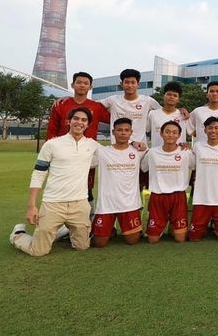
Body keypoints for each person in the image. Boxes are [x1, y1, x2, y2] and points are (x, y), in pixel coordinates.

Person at [10, 107, 100, 256]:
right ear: (68, 121)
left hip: (79, 204)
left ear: (88, 124)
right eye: (76, 119)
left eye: (84, 120)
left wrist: (136, 144)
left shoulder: (92, 145)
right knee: (38, 251)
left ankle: (61, 230)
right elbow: (38, 174)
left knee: (82, 246)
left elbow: (114, 151)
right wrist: (31, 206)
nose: (79, 122)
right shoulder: (52, 144)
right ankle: (17, 234)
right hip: (53, 203)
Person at [46, 71, 110, 201]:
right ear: (72, 85)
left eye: (86, 83)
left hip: (87, 153)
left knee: (87, 188)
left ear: (90, 87)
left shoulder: (96, 107)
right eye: (79, 82)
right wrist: (49, 151)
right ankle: (60, 215)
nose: (82, 85)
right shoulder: (61, 104)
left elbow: (114, 119)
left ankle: (87, 217)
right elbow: (52, 129)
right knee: (61, 185)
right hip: (63, 152)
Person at [91, 118, 145, 247]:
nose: (123, 133)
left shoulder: (138, 152)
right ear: (113, 132)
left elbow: (151, 151)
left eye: (126, 130)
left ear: (131, 132)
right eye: (119, 130)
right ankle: (109, 229)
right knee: (99, 243)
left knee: (132, 240)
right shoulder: (102, 152)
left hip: (129, 204)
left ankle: (119, 229)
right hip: (107, 204)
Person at [141, 121, 194, 244]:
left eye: (175, 132)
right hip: (158, 197)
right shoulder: (152, 153)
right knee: (152, 240)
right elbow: (144, 168)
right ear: (161, 133)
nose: (171, 135)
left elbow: (195, 165)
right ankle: (162, 226)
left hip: (178, 197)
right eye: (167, 132)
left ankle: (174, 227)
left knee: (180, 239)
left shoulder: (185, 152)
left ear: (179, 135)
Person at [188, 117, 218, 241]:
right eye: (210, 128)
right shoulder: (197, 146)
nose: (213, 130)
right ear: (205, 130)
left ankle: (213, 225)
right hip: (201, 198)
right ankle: (206, 225)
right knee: (194, 238)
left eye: (216, 128)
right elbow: (192, 164)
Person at [101, 68, 161, 145]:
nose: (130, 85)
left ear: (138, 84)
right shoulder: (113, 100)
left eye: (133, 82)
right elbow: (93, 105)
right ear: (121, 84)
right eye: (126, 82)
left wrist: (180, 110)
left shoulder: (147, 101)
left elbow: (165, 112)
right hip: (118, 147)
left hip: (140, 148)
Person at [147, 81, 193, 148]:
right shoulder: (153, 114)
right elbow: (145, 131)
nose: (171, 97)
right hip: (157, 154)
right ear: (163, 96)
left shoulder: (184, 115)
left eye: (175, 95)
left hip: (178, 155)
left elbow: (193, 133)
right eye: (169, 94)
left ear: (178, 99)